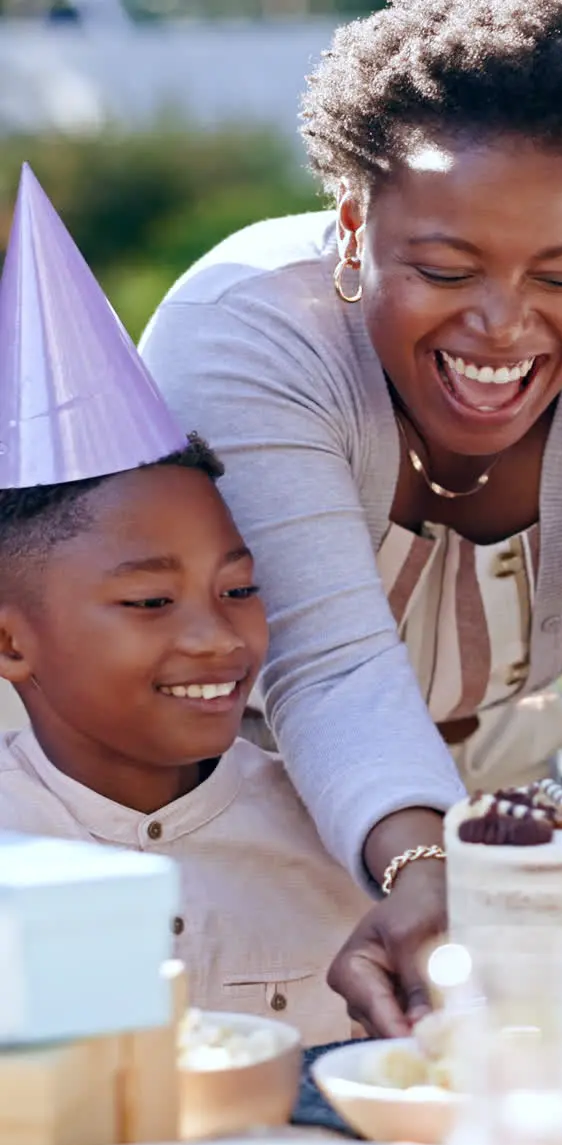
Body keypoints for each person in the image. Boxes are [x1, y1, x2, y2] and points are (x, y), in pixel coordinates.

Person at [140, 0, 562, 1039]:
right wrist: (424, 864)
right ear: (356, 224)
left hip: (481, 835)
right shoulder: (243, 331)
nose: (502, 322)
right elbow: (326, 658)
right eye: (447, 270)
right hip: (204, 814)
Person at [0, 166, 367, 1047]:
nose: (216, 637)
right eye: (150, 600)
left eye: (240, 589)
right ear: (11, 641)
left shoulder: (329, 844)